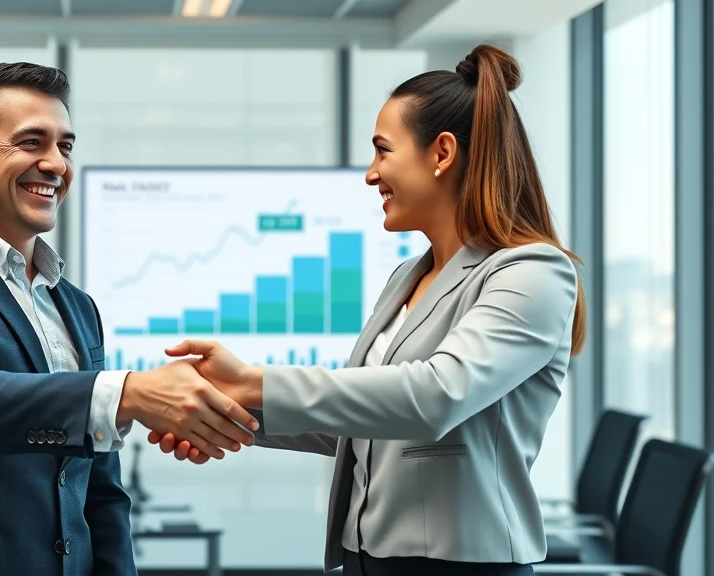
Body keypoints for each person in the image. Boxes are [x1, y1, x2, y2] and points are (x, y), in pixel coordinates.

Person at [149, 44, 585, 576]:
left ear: (441, 154)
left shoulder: (531, 272)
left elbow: (434, 396)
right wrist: (219, 409)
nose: (371, 174)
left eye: (383, 150)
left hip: (460, 564)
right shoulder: (408, 277)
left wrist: (253, 381)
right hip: (366, 558)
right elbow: (362, 421)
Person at [0, 62, 258, 576]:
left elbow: (101, 489)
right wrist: (130, 394)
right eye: (31, 143)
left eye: (65, 147)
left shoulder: (76, 305)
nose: (55, 164)